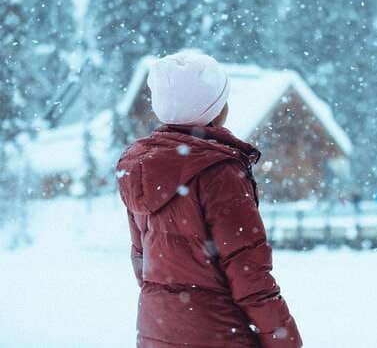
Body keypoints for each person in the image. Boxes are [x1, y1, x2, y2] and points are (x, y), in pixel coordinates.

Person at [116, 51, 302, 348]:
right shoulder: (219, 172)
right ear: (218, 110)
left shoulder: (141, 170)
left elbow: (142, 261)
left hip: (157, 329)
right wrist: (283, 339)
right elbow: (249, 273)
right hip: (217, 332)